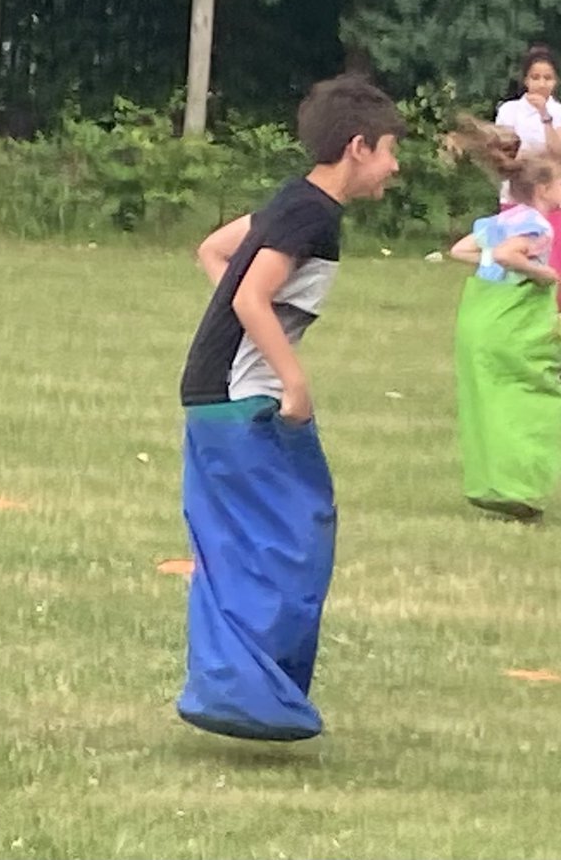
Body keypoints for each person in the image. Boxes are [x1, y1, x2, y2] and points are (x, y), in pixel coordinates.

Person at [175, 74, 404, 741]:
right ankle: (239, 693)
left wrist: (247, 310)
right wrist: (293, 380)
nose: (394, 168)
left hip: (220, 392)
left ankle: (246, 689)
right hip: (240, 401)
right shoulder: (313, 213)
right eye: (390, 151)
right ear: (357, 147)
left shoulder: (293, 200)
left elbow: (216, 251)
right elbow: (249, 296)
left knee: (276, 533)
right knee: (286, 539)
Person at [448, 116, 561, 522]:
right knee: (534, 396)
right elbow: (510, 254)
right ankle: (523, 486)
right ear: (545, 189)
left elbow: (461, 251)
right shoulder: (538, 227)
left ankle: (498, 482)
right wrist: (543, 273)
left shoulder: (504, 220)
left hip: (483, 319)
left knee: (495, 400)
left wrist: (497, 265)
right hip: (515, 321)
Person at [495, 44, 561, 301]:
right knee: (518, 253)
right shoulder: (510, 111)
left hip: (551, 197)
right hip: (517, 196)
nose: (541, 84)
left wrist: (545, 115)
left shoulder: (557, 112)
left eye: (547, 78)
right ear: (525, 80)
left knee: (552, 257)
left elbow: (558, 152)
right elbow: (504, 150)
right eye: (535, 77)